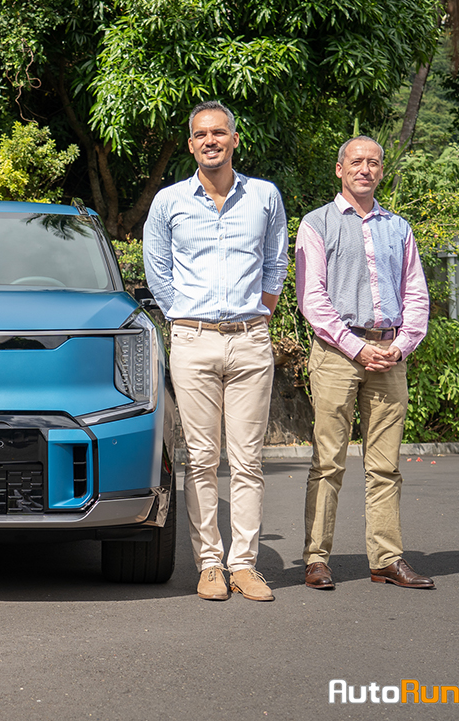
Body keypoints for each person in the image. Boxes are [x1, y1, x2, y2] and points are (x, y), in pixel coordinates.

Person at [143, 100, 288, 602]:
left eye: (219, 133)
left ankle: (243, 564)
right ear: (191, 145)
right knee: (201, 459)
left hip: (250, 339)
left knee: (247, 460)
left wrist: (260, 315)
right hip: (193, 340)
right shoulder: (169, 203)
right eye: (201, 134)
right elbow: (158, 272)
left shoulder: (265, 197)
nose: (210, 141)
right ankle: (209, 564)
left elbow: (276, 264)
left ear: (234, 139)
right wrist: (183, 318)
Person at [295, 136, 433, 590]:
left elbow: (415, 293)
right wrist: (355, 347)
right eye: (357, 161)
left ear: (380, 171)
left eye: (374, 162)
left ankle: (386, 560)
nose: (366, 169)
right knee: (328, 462)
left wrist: (403, 344)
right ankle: (316, 559)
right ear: (340, 169)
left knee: (385, 466)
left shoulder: (399, 228)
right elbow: (311, 299)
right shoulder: (317, 224)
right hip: (338, 354)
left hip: (390, 356)